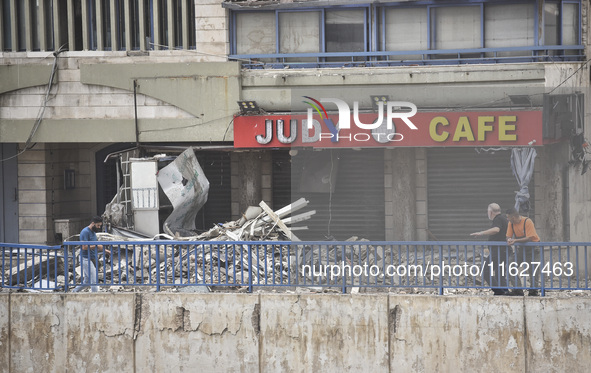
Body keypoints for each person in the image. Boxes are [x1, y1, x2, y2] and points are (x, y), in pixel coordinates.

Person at [471, 203, 511, 295]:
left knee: (486, 271)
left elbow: (496, 230)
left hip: (498, 251)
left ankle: (499, 291)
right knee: (499, 274)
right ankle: (505, 292)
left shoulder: (498, 219)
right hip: (502, 250)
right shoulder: (503, 219)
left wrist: (481, 233)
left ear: (490, 212)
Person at [505, 207, 541, 296]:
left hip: (533, 248)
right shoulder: (511, 223)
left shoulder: (527, 222)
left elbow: (529, 238)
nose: (507, 219)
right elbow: (508, 235)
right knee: (510, 265)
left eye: (508, 217)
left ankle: (533, 291)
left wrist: (515, 241)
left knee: (533, 270)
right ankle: (518, 289)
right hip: (521, 248)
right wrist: (509, 239)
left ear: (513, 217)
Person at [71, 216, 110, 292]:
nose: (99, 227)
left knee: (87, 281)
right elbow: (84, 247)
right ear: (93, 223)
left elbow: (96, 245)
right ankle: (95, 297)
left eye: (100, 225)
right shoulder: (85, 232)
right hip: (85, 258)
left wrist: (106, 251)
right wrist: (96, 246)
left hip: (92, 257)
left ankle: (74, 292)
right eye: (98, 225)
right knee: (94, 279)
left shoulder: (93, 233)